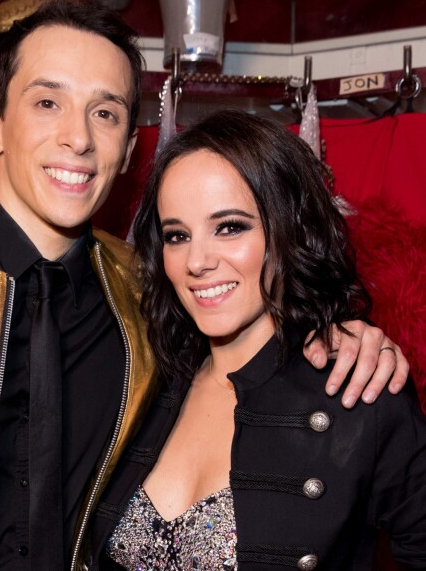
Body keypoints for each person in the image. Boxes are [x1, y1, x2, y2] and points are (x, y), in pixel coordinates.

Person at [0, 0, 410, 571]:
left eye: (106, 113)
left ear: (129, 151)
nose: (78, 138)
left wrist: (344, 333)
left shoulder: (148, 294)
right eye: (47, 102)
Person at [87, 109, 426, 570]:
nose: (197, 261)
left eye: (229, 227)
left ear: (287, 231)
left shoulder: (359, 388)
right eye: (177, 235)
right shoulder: (142, 379)